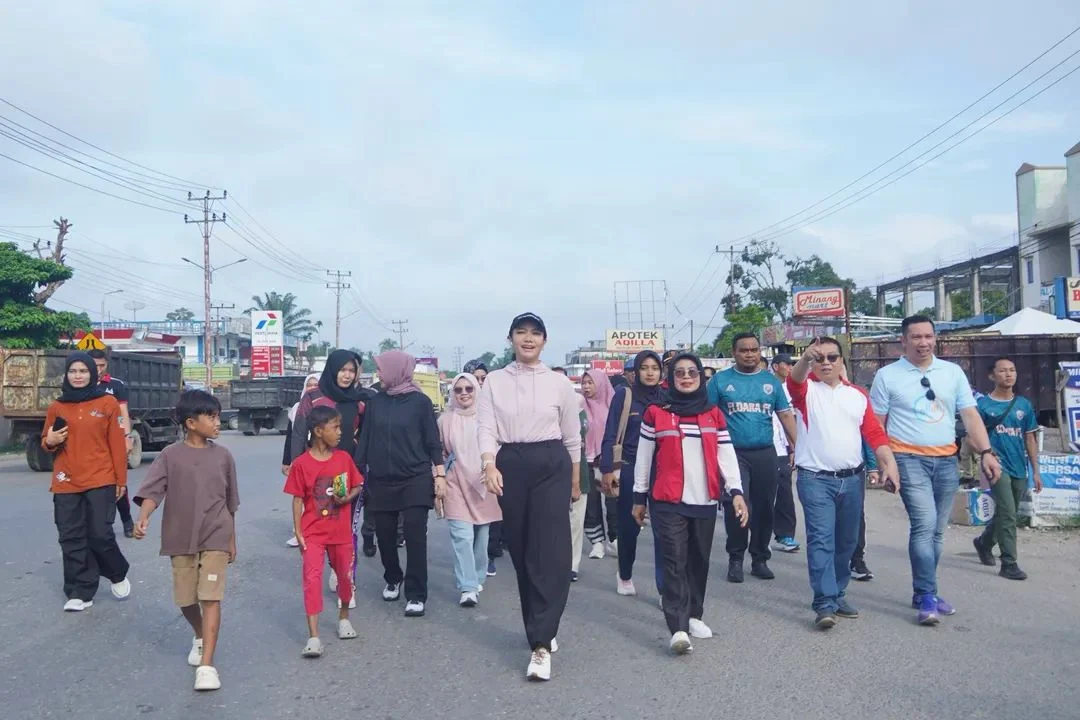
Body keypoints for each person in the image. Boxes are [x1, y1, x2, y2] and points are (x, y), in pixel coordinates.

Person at [870, 315, 1002, 626]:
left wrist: (986, 452)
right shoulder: (887, 376)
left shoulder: (952, 373)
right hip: (907, 459)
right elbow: (876, 425)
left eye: (928, 336)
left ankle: (922, 591)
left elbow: (970, 415)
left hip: (946, 460)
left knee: (938, 531)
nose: (923, 342)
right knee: (924, 525)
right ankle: (928, 595)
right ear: (903, 341)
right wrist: (883, 465)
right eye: (916, 337)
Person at [478, 312, 581, 682]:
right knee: (522, 552)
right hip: (511, 463)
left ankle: (540, 643)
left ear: (544, 341)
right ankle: (540, 625)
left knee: (551, 551)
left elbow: (572, 436)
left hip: (552, 463)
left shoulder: (559, 383)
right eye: (521, 332)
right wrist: (489, 464)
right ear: (510, 339)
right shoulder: (494, 381)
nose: (528, 338)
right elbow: (486, 427)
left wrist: (575, 481)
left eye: (535, 333)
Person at [632, 353, 747, 654]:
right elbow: (643, 458)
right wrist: (638, 496)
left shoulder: (713, 414)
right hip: (667, 501)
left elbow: (726, 455)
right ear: (670, 379)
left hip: (705, 500)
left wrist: (736, 491)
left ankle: (695, 614)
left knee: (699, 561)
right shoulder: (655, 413)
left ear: (701, 378)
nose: (686, 377)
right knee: (674, 562)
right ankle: (678, 627)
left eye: (692, 373)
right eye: (679, 373)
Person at [787, 338, 897, 629]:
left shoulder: (857, 394)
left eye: (832, 357)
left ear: (841, 361)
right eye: (819, 358)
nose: (826, 362)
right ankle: (824, 602)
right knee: (821, 540)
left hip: (852, 480)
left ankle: (837, 593)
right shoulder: (806, 391)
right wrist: (804, 360)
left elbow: (874, 432)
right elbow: (794, 382)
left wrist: (889, 463)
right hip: (815, 480)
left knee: (847, 541)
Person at [132, 390, 238, 691]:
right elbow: (153, 491)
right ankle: (199, 634)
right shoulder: (170, 455)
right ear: (191, 423)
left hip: (216, 533)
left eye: (218, 417)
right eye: (211, 417)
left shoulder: (223, 456)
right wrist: (144, 516)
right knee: (186, 599)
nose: (217, 423)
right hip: (180, 535)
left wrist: (232, 539)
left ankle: (207, 666)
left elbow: (231, 502)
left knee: (211, 597)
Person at [355, 350, 444, 618]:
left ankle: (416, 594)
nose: (378, 374)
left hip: (415, 479)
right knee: (385, 536)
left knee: (415, 537)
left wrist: (439, 474)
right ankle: (393, 577)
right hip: (381, 480)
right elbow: (366, 439)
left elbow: (432, 440)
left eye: (381, 369)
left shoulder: (421, 402)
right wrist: (356, 473)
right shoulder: (376, 402)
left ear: (396, 370)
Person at [41, 352, 132, 613]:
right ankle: (80, 591)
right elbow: (46, 440)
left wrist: (121, 480)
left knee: (100, 534)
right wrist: (50, 441)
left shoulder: (107, 403)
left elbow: (117, 444)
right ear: (66, 374)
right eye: (73, 371)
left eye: (83, 371)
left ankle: (116, 571)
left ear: (93, 373)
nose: (78, 376)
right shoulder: (57, 406)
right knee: (70, 537)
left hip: (101, 478)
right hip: (66, 480)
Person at [706, 333, 797, 582]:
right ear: (734, 353)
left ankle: (759, 558)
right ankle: (735, 558)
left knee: (765, 507)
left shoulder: (770, 382)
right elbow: (708, 417)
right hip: (733, 454)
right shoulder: (720, 381)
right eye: (744, 350)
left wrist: (798, 446)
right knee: (737, 505)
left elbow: (785, 415)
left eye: (754, 350)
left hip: (765, 453)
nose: (749, 354)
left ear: (760, 352)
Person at [284, 405, 364, 657]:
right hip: (313, 534)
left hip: (340, 533)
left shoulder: (343, 459)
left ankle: (344, 618)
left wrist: (347, 497)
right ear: (319, 431)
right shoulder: (301, 464)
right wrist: (298, 531)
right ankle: (314, 636)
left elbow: (358, 484)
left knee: (344, 577)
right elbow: (297, 499)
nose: (340, 432)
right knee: (311, 579)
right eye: (335, 427)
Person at [291, 350, 370, 599]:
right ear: (332, 369)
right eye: (343, 370)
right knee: (321, 522)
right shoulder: (313, 397)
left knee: (345, 524)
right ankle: (330, 564)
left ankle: (346, 579)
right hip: (316, 471)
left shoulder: (361, 400)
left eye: (352, 371)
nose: (347, 375)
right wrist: (295, 464)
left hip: (345, 471)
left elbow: (366, 434)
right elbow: (298, 430)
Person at [601, 350, 666, 597]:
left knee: (664, 531)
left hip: (661, 471)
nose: (650, 373)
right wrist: (607, 469)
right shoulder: (624, 396)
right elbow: (610, 433)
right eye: (644, 368)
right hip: (630, 469)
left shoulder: (667, 398)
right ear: (636, 372)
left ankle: (665, 588)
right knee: (629, 528)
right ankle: (625, 574)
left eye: (655, 368)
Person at [972, 357, 1043, 581]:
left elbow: (1030, 438)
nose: (1008, 374)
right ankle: (1009, 563)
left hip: (1019, 467)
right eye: (1002, 371)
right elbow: (972, 438)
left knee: (1007, 512)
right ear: (992, 376)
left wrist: (1036, 470)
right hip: (996, 467)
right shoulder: (983, 406)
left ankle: (984, 542)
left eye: (1012, 370)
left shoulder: (1023, 405)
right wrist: (986, 455)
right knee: (1008, 513)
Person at [438, 372, 503, 606]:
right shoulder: (445, 420)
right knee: (462, 537)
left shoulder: (490, 418)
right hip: (455, 483)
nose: (464, 393)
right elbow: (439, 453)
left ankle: (477, 576)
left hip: (484, 483)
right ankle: (467, 586)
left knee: (481, 538)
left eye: (469, 389)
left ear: (477, 390)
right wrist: (439, 478)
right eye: (458, 389)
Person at [88, 349, 136, 538]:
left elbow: (123, 413)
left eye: (102, 365)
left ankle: (127, 520)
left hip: (113, 442)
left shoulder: (115, 385)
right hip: (90, 444)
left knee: (117, 482)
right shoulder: (80, 384)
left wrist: (127, 436)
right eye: (95, 365)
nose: (98, 369)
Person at [582, 369, 618, 560]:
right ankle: (597, 542)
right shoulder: (579, 405)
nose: (586, 387)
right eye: (584, 383)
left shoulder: (613, 404)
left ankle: (615, 539)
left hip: (609, 462)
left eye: (590, 382)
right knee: (591, 504)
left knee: (613, 501)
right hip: (586, 460)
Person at [283, 373, 320, 547]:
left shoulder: (325, 406)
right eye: (309, 385)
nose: (312, 388)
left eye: (315, 385)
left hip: (320, 457)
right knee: (300, 495)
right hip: (302, 457)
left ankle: (317, 530)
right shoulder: (297, 408)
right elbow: (291, 436)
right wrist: (287, 461)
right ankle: (299, 532)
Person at [769, 353, 799, 553]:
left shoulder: (791, 390)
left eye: (791, 365)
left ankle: (785, 535)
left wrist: (793, 448)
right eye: (786, 364)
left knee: (785, 493)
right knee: (762, 494)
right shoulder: (766, 386)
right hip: (763, 447)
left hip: (782, 449)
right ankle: (759, 535)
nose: (790, 368)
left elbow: (789, 421)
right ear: (775, 366)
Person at [570, 389, 589, 582]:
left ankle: (572, 565)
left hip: (579, 472)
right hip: (554, 472)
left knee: (576, 522)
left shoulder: (578, 405)